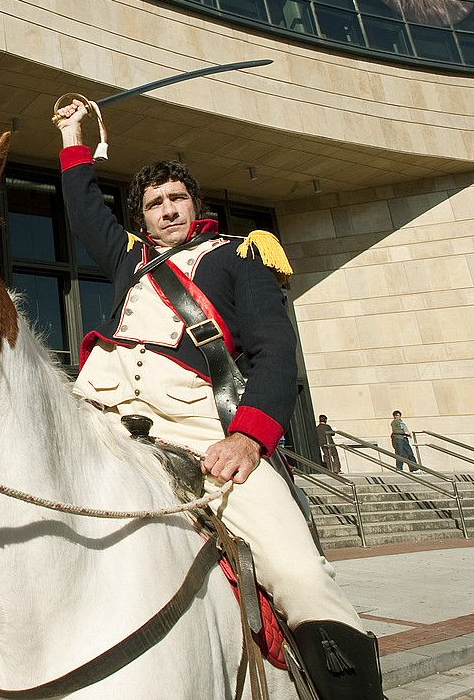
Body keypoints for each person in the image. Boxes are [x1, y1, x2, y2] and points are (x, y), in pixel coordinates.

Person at [53, 102, 380, 699]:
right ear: (143, 220)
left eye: (177, 197)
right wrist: (74, 137)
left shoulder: (237, 256)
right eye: (154, 203)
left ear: (195, 206)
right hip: (105, 416)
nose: (168, 209)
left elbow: (275, 353)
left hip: (202, 430)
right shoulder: (130, 261)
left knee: (302, 578)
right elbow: (82, 210)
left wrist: (249, 437)